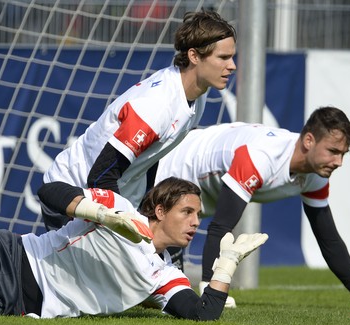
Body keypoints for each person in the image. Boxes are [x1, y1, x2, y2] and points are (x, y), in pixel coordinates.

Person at [0, 178, 268, 320]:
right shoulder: (117, 207)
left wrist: (225, 265)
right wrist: (98, 214)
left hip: (21, 300)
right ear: (159, 208)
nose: (196, 222)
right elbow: (49, 190)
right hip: (0, 250)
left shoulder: (164, 276)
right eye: (189, 212)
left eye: (198, 215)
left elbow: (202, 313)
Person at [153, 107, 350, 312]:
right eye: (333, 151)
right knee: (150, 260)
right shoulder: (261, 156)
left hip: (203, 190)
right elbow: (222, 225)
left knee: (169, 284)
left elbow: (328, 238)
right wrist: (209, 288)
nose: (339, 162)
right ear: (309, 141)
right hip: (169, 164)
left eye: (342, 154)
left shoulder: (316, 175)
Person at [42, 10, 237, 231]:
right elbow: (101, 175)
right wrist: (121, 227)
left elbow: (152, 155)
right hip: (74, 194)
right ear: (194, 56)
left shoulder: (195, 98)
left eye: (231, 57)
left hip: (109, 195)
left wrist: (144, 209)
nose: (232, 65)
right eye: (223, 57)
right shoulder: (156, 106)